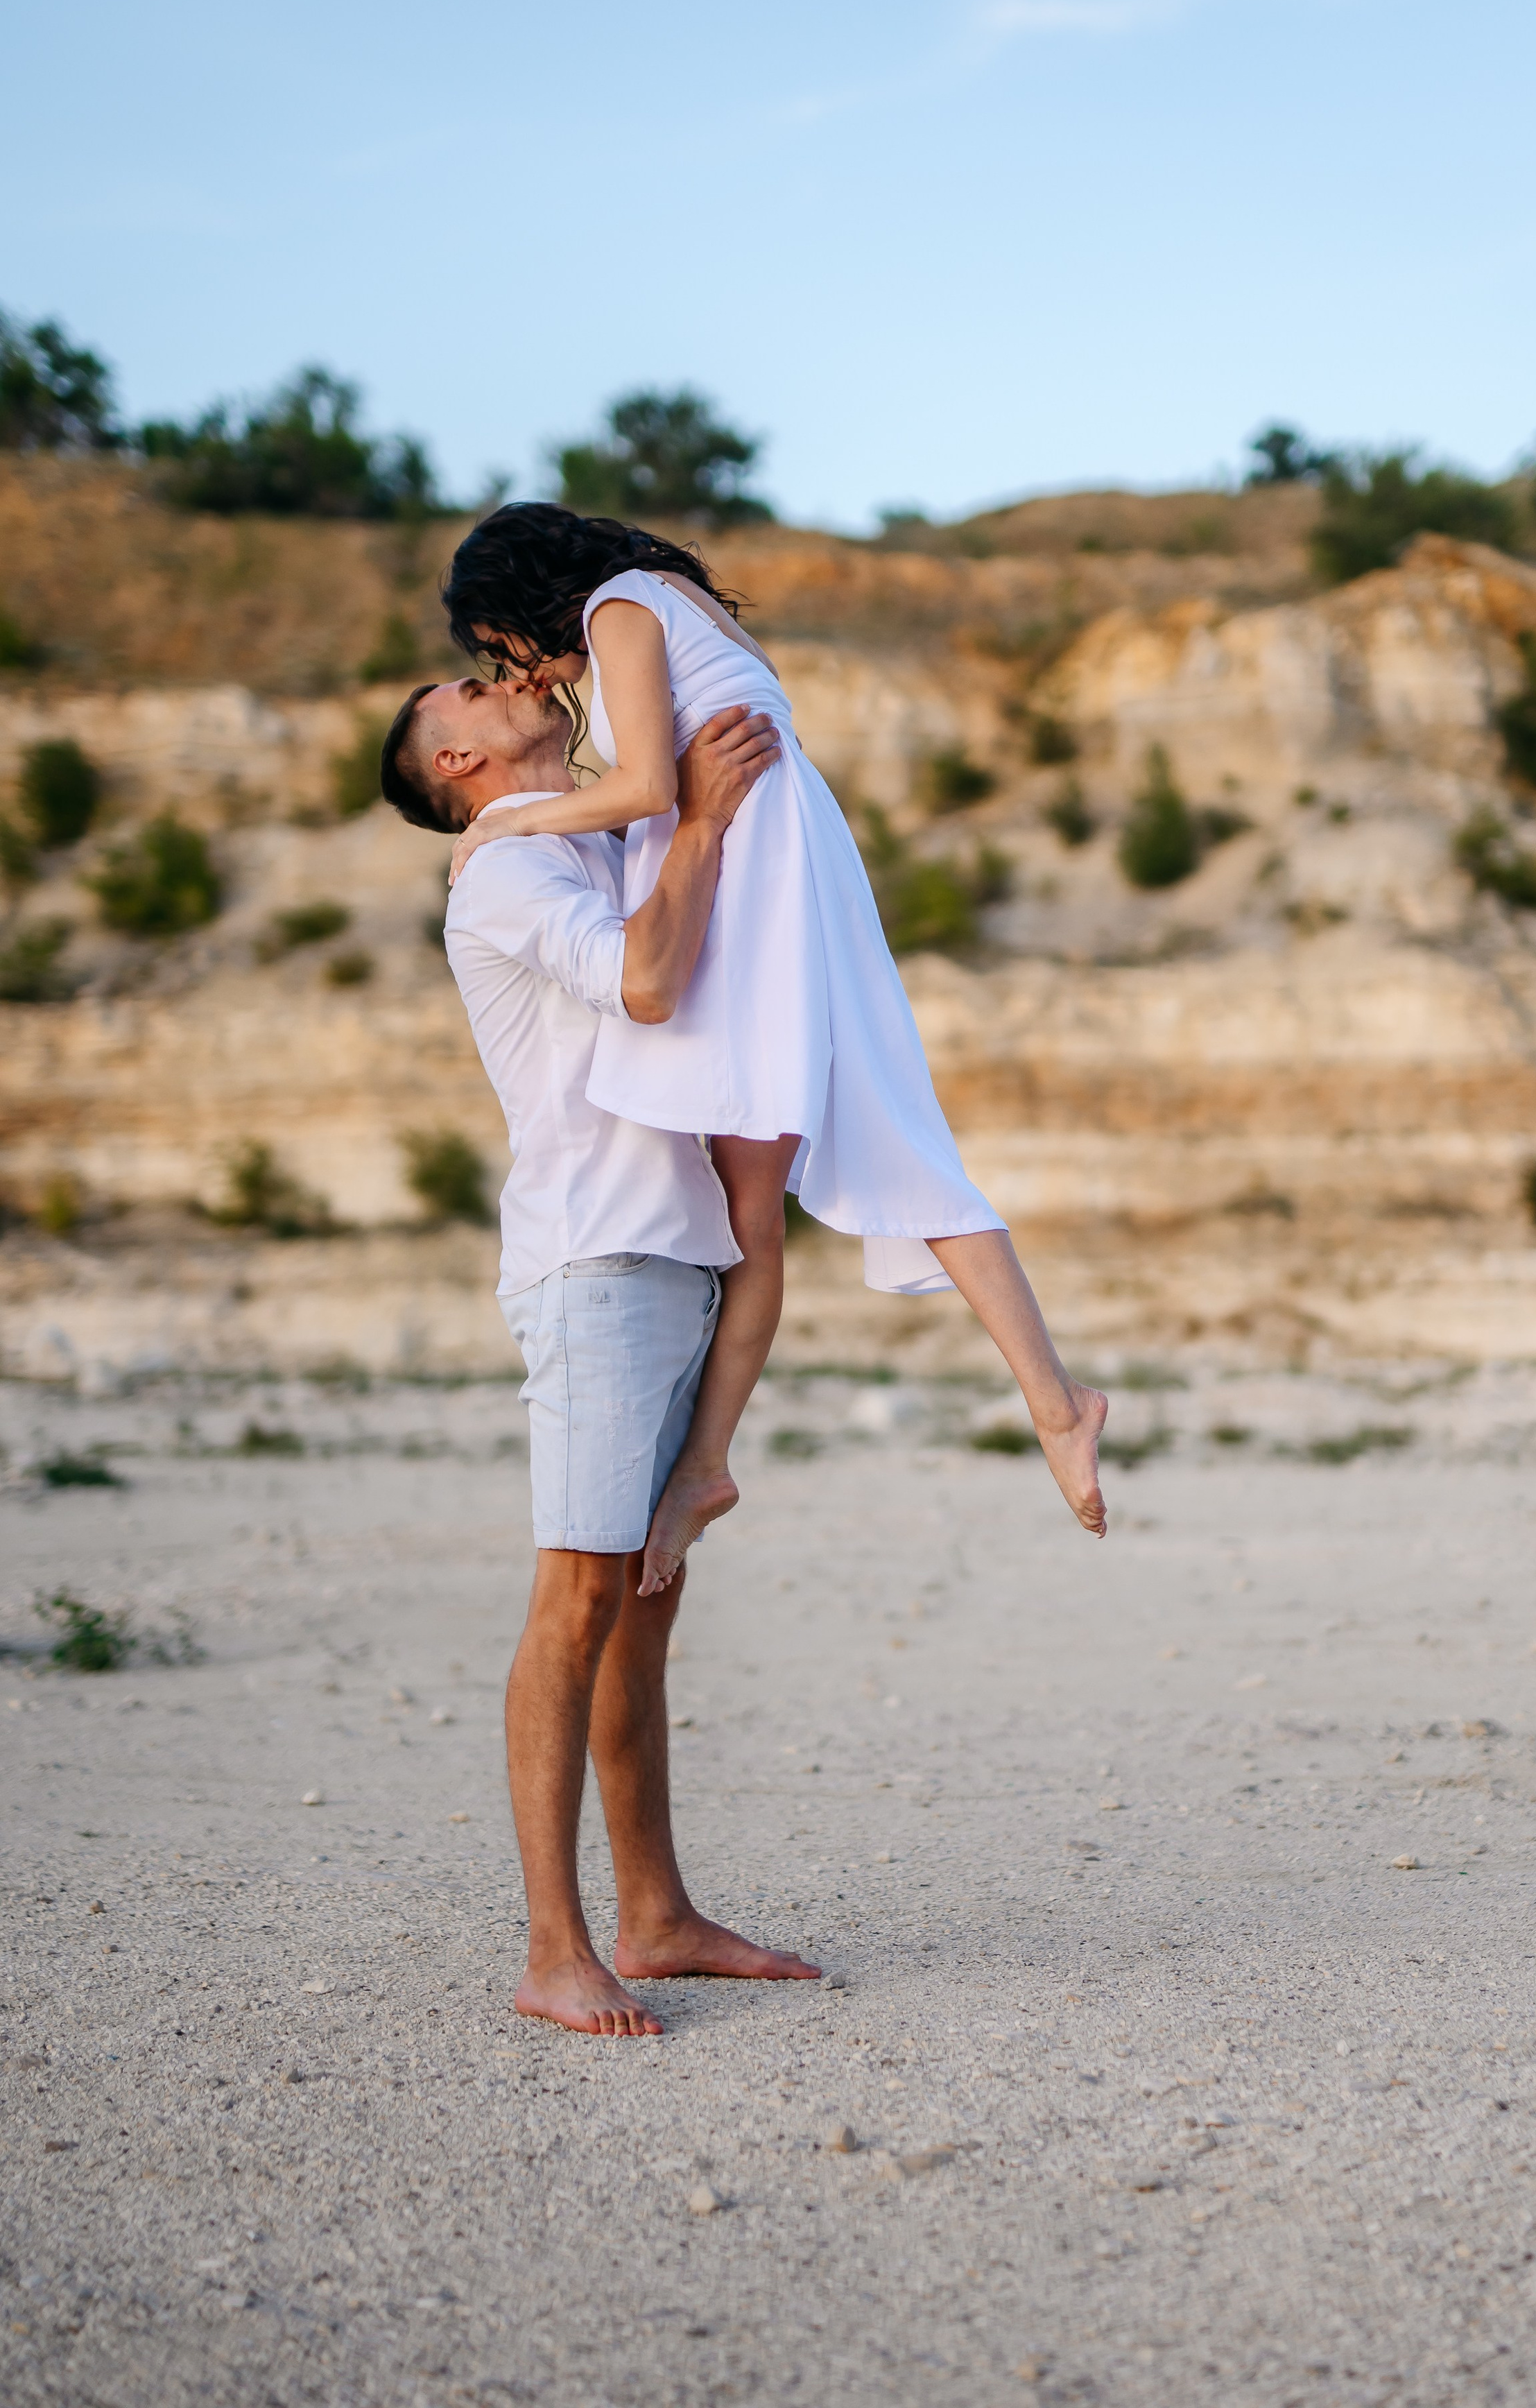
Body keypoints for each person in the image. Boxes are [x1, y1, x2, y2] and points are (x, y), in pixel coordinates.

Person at [435, 504, 1109, 1598]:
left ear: (520, 599)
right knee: (822, 1159)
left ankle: (718, 1459)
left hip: (746, 860)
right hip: (774, 851)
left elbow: (652, 787)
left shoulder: (617, 609)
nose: (510, 667)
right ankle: (1047, 1402)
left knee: (785, 1180)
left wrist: (503, 824)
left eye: (494, 644)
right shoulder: (665, 601)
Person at [380, 669, 818, 2035]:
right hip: (598, 1263)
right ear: (453, 755)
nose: (508, 677)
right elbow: (640, 979)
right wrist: (699, 824)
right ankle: (553, 1949)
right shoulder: (505, 869)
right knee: (575, 1599)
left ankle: (658, 1913)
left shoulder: (577, 833)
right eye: (469, 684)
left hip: (672, 1249)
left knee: (643, 1600)